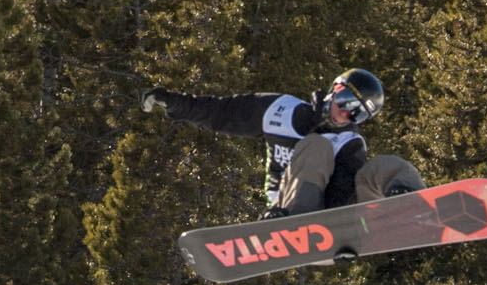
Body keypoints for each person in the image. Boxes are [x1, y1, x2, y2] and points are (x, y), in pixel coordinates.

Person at [140, 68, 425, 217]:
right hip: (288, 209)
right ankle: (300, 223)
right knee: (316, 146)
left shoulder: (350, 140)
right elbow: (220, 112)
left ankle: (412, 205)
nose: (347, 114)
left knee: (386, 165)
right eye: (348, 102)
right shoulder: (280, 111)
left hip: (334, 218)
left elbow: (345, 187)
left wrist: (342, 230)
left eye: (359, 113)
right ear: (335, 90)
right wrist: (173, 102)